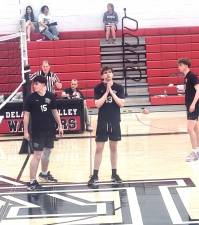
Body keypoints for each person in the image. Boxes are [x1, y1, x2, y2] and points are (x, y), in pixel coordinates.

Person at [24, 75, 63, 191]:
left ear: (43, 85)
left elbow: (55, 111)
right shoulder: (30, 98)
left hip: (49, 130)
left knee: (47, 152)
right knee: (37, 155)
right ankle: (32, 181)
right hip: (37, 132)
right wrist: (25, 131)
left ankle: (44, 174)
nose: (34, 86)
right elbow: (26, 115)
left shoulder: (51, 96)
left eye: (36, 84)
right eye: (34, 84)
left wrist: (60, 125)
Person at [88, 67, 125, 187]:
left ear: (112, 74)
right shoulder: (98, 88)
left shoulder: (119, 88)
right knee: (99, 148)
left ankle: (114, 174)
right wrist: (106, 91)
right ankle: (95, 175)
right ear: (102, 76)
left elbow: (121, 103)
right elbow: (98, 104)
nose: (108, 74)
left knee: (113, 148)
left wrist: (112, 92)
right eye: (105, 73)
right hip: (102, 121)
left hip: (114, 121)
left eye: (109, 72)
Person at [177, 58, 199, 162]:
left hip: (193, 106)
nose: (179, 67)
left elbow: (198, 90)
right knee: (195, 129)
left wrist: (193, 104)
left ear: (185, 65)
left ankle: (195, 153)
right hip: (190, 105)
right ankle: (197, 151)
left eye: (180, 65)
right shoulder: (186, 77)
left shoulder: (191, 76)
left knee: (190, 129)